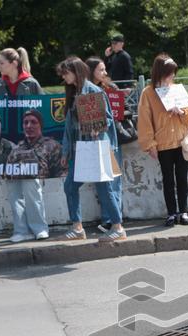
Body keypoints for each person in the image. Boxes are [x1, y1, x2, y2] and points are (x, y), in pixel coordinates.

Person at [58, 56, 124, 241]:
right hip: (79, 149)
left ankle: (118, 227)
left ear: (76, 71)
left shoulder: (93, 91)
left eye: (66, 73)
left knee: (105, 188)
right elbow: (68, 128)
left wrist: (98, 127)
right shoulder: (73, 93)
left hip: (96, 148)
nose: (64, 77)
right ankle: (77, 227)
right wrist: (65, 151)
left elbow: (108, 119)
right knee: (70, 186)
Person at [0, 47, 49, 242]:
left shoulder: (31, 84)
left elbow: (44, 112)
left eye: (1, 63)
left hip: (30, 145)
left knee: (32, 187)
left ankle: (39, 227)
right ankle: (20, 230)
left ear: (14, 64)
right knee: (14, 189)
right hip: (7, 146)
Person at [137, 54, 188, 227]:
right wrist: (150, 145)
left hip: (181, 141)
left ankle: (184, 212)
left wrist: (182, 112)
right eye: (169, 73)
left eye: (173, 73)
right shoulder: (148, 93)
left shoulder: (178, 89)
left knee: (182, 178)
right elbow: (144, 120)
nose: (172, 76)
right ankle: (171, 213)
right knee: (168, 179)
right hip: (162, 144)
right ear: (160, 72)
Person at [86, 56, 128, 235]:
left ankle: (114, 219)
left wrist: (121, 105)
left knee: (114, 181)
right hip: (95, 141)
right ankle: (108, 218)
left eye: (105, 69)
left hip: (112, 139)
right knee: (102, 182)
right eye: (100, 70)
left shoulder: (111, 88)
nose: (104, 73)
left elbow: (120, 112)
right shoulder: (87, 90)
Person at [7, 110, 63, 180]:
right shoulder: (16, 150)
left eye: (33, 122)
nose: (29, 126)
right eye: (26, 122)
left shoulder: (53, 147)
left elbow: (61, 177)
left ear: (40, 125)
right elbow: (7, 179)